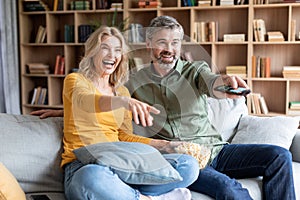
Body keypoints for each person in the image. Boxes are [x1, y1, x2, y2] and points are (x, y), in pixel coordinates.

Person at [32, 16, 296, 199]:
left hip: (215, 150)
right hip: (186, 157)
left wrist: (225, 83)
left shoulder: (194, 70)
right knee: (227, 189)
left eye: (174, 43)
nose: (169, 49)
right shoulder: (132, 82)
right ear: (149, 45)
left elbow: (212, 83)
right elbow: (99, 102)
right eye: (161, 42)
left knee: (279, 157)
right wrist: (64, 112)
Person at [58, 26, 199, 200]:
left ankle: (125, 193)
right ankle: (147, 198)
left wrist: (164, 145)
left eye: (117, 50)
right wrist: (123, 102)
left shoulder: (122, 91)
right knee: (92, 178)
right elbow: (85, 101)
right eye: (105, 48)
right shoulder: (75, 80)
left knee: (188, 165)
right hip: (83, 165)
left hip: (120, 163)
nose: (112, 55)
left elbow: (124, 137)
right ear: (92, 52)